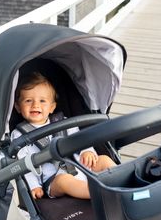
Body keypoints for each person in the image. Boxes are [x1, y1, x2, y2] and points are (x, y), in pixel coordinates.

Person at [11, 72, 116, 200]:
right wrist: (33, 186)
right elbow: (23, 165)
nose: (35, 105)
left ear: (52, 107)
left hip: (79, 166)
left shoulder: (63, 122)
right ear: (17, 106)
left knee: (103, 159)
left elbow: (80, 139)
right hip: (53, 179)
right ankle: (100, 195)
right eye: (28, 100)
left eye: (42, 101)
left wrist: (86, 151)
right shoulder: (19, 135)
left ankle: (122, 179)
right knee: (64, 181)